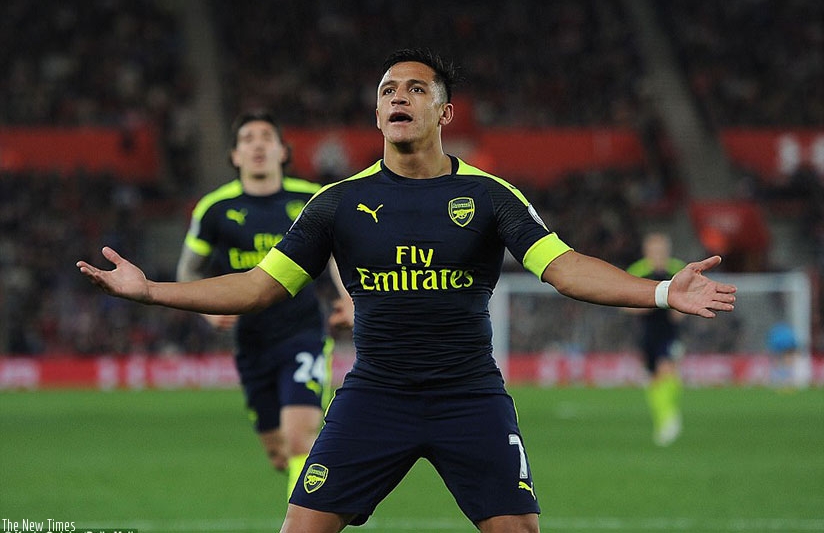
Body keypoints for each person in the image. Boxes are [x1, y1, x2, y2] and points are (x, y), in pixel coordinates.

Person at [77, 48, 737, 533]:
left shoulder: (487, 195)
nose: (397, 96)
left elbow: (562, 268)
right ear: (377, 112)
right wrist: (152, 291)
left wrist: (657, 295)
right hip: (374, 398)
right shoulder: (338, 204)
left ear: (443, 110)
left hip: (469, 397)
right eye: (389, 88)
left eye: (415, 88)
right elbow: (257, 287)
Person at [175, 110, 353, 500]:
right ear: (235, 155)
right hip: (251, 340)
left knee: (300, 439)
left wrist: (347, 298)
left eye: (266, 137)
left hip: (303, 331)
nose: (257, 144)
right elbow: (188, 270)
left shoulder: (310, 199)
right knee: (278, 451)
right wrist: (206, 310)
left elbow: (338, 254)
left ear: (283, 151)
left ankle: (306, 522)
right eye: (248, 139)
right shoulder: (214, 208)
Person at [625, 232, 687, 446]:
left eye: (661, 250)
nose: (658, 254)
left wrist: (681, 311)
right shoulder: (639, 271)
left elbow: (690, 297)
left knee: (666, 368)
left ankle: (669, 418)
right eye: (654, 250)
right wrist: (644, 306)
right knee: (653, 379)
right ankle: (663, 419)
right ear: (647, 251)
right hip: (648, 332)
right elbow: (623, 301)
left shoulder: (677, 270)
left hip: (669, 331)